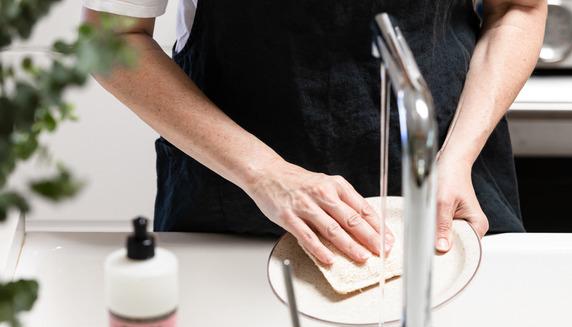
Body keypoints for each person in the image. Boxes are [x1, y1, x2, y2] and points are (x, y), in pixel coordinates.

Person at [83, 0, 546, 265]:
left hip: (447, 182)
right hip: (238, 198)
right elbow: (110, 38)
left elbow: (518, 9)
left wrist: (457, 156)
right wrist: (264, 173)